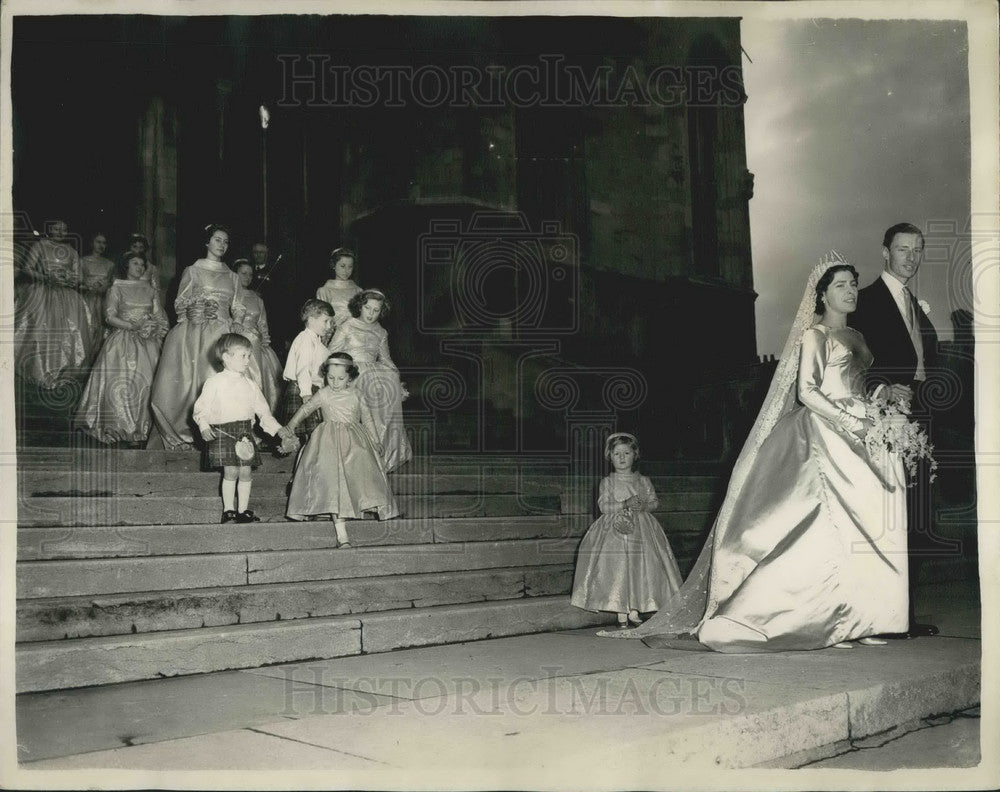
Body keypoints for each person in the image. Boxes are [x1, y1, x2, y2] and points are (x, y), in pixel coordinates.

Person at [604, 255, 908, 652]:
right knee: (826, 529)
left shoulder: (860, 337)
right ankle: (828, 618)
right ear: (822, 294)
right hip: (827, 436)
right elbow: (808, 392)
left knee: (864, 530)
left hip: (863, 434)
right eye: (841, 285)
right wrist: (854, 423)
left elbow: (855, 382)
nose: (850, 290)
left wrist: (879, 398)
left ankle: (861, 619)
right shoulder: (816, 335)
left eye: (853, 283)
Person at [849, 223, 941, 638]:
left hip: (921, 416)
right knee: (886, 515)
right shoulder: (864, 300)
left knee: (917, 514)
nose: (910, 257)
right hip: (883, 419)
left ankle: (904, 612)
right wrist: (882, 386)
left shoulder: (916, 306)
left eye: (917, 250)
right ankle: (880, 615)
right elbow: (847, 360)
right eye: (902, 249)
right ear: (884, 252)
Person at [150, 223, 247, 449]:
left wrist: (237, 322)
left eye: (225, 241)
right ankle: (185, 432)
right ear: (207, 242)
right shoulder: (192, 270)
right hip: (194, 330)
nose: (222, 245)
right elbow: (180, 301)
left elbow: (239, 307)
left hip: (222, 331)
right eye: (217, 240)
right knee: (188, 381)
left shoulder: (232, 276)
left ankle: (220, 432)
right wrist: (194, 309)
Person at [285, 352, 400, 544]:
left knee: (356, 481)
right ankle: (342, 535)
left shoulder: (357, 394)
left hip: (355, 443)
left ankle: (351, 512)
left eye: (341, 378)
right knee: (334, 484)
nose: (335, 382)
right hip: (327, 443)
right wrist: (290, 426)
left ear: (351, 377)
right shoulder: (323, 394)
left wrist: (375, 440)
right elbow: (305, 409)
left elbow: (368, 419)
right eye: (331, 378)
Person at [571, 433, 683, 628]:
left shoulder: (643, 481)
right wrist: (624, 504)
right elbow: (604, 506)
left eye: (626, 453)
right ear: (610, 456)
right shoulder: (608, 482)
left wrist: (645, 507)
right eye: (616, 454)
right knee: (619, 567)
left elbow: (654, 501)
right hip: (615, 530)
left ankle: (635, 610)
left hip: (642, 528)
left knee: (640, 567)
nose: (622, 458)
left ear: (635, 455)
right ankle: (621, 613)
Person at [193, 333, 289, 523]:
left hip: (244, 433)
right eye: (243, 356)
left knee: (245, 472)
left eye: (249, 356)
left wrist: (279, 430)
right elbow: (200, 409)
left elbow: (264, 413)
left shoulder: (251, 385)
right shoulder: (214, 382)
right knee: (231, 471)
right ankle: (228, 510)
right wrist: (203, 425)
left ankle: (243, 511)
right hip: (223, 432)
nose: (248, 360)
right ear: (227, 358)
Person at [74, 253, 168, 445]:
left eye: (142, 264)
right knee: (122, 383)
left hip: (148, 342)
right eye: (135, 263)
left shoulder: (151, 291)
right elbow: (109, 317)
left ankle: (142, 429)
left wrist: (153, 327)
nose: (139, 267)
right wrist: (132, 326)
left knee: (147, 384)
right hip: (122, 340)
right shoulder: (116, 287)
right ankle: (118, 426)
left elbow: (160, 317)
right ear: (126, 266)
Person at [328, 289, 412, 471]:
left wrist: (397, 377)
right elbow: (332, 352)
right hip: (351, 372)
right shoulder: (348, 325)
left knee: (389, 383)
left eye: (376, 310)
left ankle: (381, 454)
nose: (371, 314)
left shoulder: (381, 332)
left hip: (375, 373)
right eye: (368, 308)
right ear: (360, 306)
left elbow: (385, 359)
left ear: (381, 311)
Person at [13, 219, 91, 388]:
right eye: (57, 228)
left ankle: (63, 370)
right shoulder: (40, 245)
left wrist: (71, 279)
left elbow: (79, 277)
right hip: (42, 292)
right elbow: (27, 268)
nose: (60, 232)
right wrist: (47, 277)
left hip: (66, 295)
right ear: (50, 229)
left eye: (64, 229)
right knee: (41, 328)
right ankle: (39, 370)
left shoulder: (71, 251)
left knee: (69, 331)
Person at [279, 299, 334, 440]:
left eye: (330, 322)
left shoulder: (315, 340)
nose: (329, 326)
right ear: (311, 319)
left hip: (311, 388)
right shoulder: (305, 339)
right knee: (303, 434)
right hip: (302, 390)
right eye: (325, 321)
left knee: (311, 434)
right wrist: (305, 394)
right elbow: (303, 369)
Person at [232, 258, 282, 411]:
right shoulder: (231, 295)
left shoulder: (257, 298)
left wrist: (265, 338)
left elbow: (262, 322)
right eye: (243, 273)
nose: (247, 277)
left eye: (250, 274)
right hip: (236, 341)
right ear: (235, 274)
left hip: (256, 344)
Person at [79, 231, 116, 362]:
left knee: (102, 331)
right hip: (87, 300)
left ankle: (97, 362)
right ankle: (84, 362)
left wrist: (106, 287)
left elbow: (114, 284)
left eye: (104, 243)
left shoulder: (110, 264)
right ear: (92, 243)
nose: (101, 245)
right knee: (87, 330)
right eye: (98, 242)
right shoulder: (83, 261)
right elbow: (77, 283)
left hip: (103, 301)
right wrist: (89, 286)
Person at [315, 247, 361, 342]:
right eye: (342, 266)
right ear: (333, 265)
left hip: (357, 339)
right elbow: (322, 321)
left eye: (350, 266)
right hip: (334, 339)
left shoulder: (358, 291)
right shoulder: (325, 291)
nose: (346, 270)